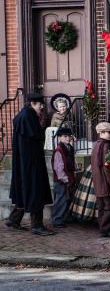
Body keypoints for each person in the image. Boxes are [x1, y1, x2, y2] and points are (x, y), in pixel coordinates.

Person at [5, 93, 54, 236]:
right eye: (40, 104)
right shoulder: (28, 117)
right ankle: (37, 225)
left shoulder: (24, 116)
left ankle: (13, 219)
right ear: (33, 103)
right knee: (34, 190)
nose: (42, 107)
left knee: (24, 189)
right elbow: (37, 136)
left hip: (25, 162)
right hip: (31, 163)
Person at [91, 122, 110, 237]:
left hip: (98, 181)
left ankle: (102, 228)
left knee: (101, 206)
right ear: (101, 133)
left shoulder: (96, 144)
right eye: (108, 132)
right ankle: (106, 229)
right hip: (105, 182)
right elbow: (107, 167)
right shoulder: (106, 146)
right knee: (109, 206)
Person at [51, 127, 77, 228]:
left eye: (69, 136)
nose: (67, 138)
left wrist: (75, 167)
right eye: (65, 136)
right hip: (61, 180)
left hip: (69, 178)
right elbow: (58, 167)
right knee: (61, 200)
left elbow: (71, 160)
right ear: (60, 137)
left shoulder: (69, 148)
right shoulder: (59, 150)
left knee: (68, 199)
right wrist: (65, 179)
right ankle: (56, 219)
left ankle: (65, 217)